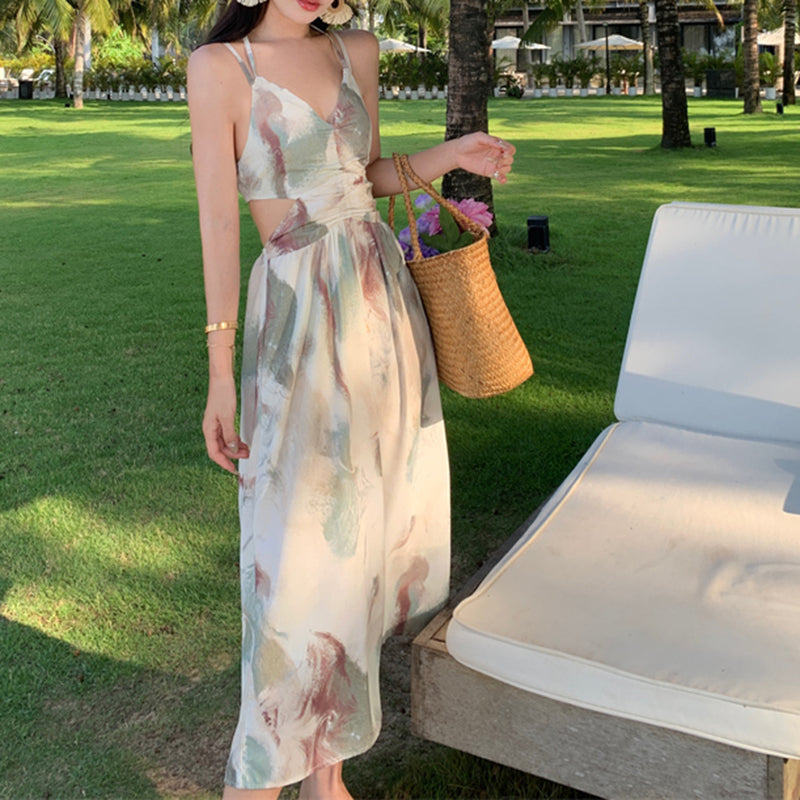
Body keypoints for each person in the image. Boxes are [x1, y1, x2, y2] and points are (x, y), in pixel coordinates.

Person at [187, 1, 514, 797]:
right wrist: (221, 374)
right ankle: (258, 777)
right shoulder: (221, 67)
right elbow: (219, 225)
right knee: (294, 555)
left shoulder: (355, 50)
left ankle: (325, 780)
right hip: (297, 323)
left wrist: (453, 153)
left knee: (360, 547)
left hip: (381, 316)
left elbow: (364, 180)